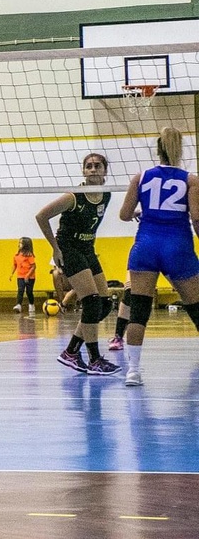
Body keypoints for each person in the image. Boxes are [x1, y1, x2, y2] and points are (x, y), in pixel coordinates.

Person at [116, 127, 199, 387]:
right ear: (179, 149)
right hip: (178, 246)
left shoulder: (140, 177)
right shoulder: (191, 179)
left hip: (146, 246)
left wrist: (144, 211)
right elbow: (196, 218)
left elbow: (124, 215)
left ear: (158, 149)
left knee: (139, 309)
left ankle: (133, 371)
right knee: (196, 307)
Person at [36, 153, 121, 376]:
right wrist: (55, 248)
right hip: (69, 249)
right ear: (84, 171)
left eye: (98, 166)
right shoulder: (73, 196)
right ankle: (94, 359)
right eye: (89, 166)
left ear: (104, 170)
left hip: (88, 249)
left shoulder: (106, 195)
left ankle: (71, 351)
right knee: (91, 302)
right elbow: (41, 216)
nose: (93, 169)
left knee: (103, 305)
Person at [9, 237, 37, 316]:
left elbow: (33, 267)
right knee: (20, 290)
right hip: (20, 276)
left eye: (20, 243)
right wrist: (11, 274)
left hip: (30, 277)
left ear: (26, 245)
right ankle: (18, 305)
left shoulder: (29, 255)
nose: (19, 244)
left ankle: (31, 304)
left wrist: (28, 275)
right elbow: (14, 265)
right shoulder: (16, 255)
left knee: (29, 291)